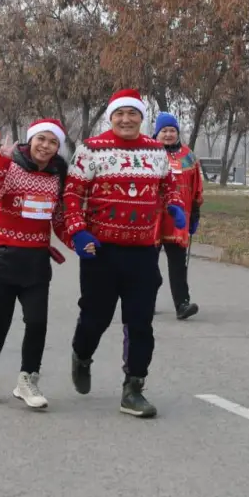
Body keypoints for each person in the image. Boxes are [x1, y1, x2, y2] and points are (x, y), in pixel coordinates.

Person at [57, 89, 184, 418]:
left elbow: (169, 185)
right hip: (101, 251)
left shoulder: (156, 151)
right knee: (96, 318)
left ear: (142, 118)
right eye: (119, 114)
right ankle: (81, 355)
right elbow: (72, 194)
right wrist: (78, 231)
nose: (126, 120)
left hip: (143, 252)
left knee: (140, 323)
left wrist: (175, 205)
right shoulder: (91, 150)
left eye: (132, 114)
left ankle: (133, 388)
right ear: (110, 118)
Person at [0, 120, 68, 409]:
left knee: (37, 322)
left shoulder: (58, 175)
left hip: (36, 260)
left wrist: (82, 241)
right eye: (41, 139)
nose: (46, 146)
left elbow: (59, 219)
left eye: (53, 142)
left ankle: (27, 380)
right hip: (3, 256)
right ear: (31, 140)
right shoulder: (10, 166)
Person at [153, 112, 204, 320]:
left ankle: (182, 304)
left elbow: (196, 186)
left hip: (178, 220)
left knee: (178, 265)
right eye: (164, 131)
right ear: (157, 133)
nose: (168, 134)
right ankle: (145, 300)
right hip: (152, 221)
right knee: (147, 265)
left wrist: (195, 213)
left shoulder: (188, 156)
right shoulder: (148, 154)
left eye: (172, 130)